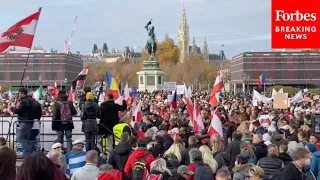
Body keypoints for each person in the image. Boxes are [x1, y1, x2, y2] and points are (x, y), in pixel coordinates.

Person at [14, 88, 42, 156]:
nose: (19, 95)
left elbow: (17, 111)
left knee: (19, 137)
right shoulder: (31, 100)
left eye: (19, 93)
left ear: (22, 93)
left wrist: (13, 108)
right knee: (25, 137)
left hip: (25, 122)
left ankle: (27, 151)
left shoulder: (24, 102)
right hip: (30, 122)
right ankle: (28, 152)